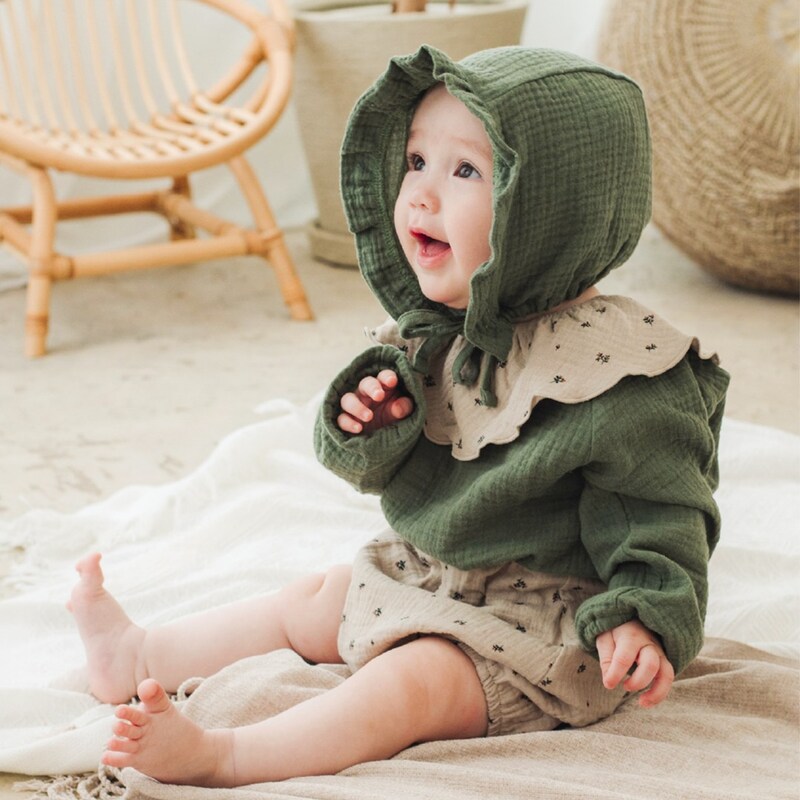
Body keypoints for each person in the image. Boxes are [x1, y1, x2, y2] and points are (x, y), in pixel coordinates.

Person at [69, 45, 729, 787]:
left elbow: (662, 515)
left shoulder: (620, 371)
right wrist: (371, 426)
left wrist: (642, 617)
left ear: (552, 209)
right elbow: (384, 474)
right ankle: (135, 654)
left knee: (413, 683)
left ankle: (226, 755)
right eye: (416, 161)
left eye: (466, 171)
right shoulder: (439, 333)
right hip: (429, 573)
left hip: (541, 630)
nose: (420, 194)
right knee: (314, 598)